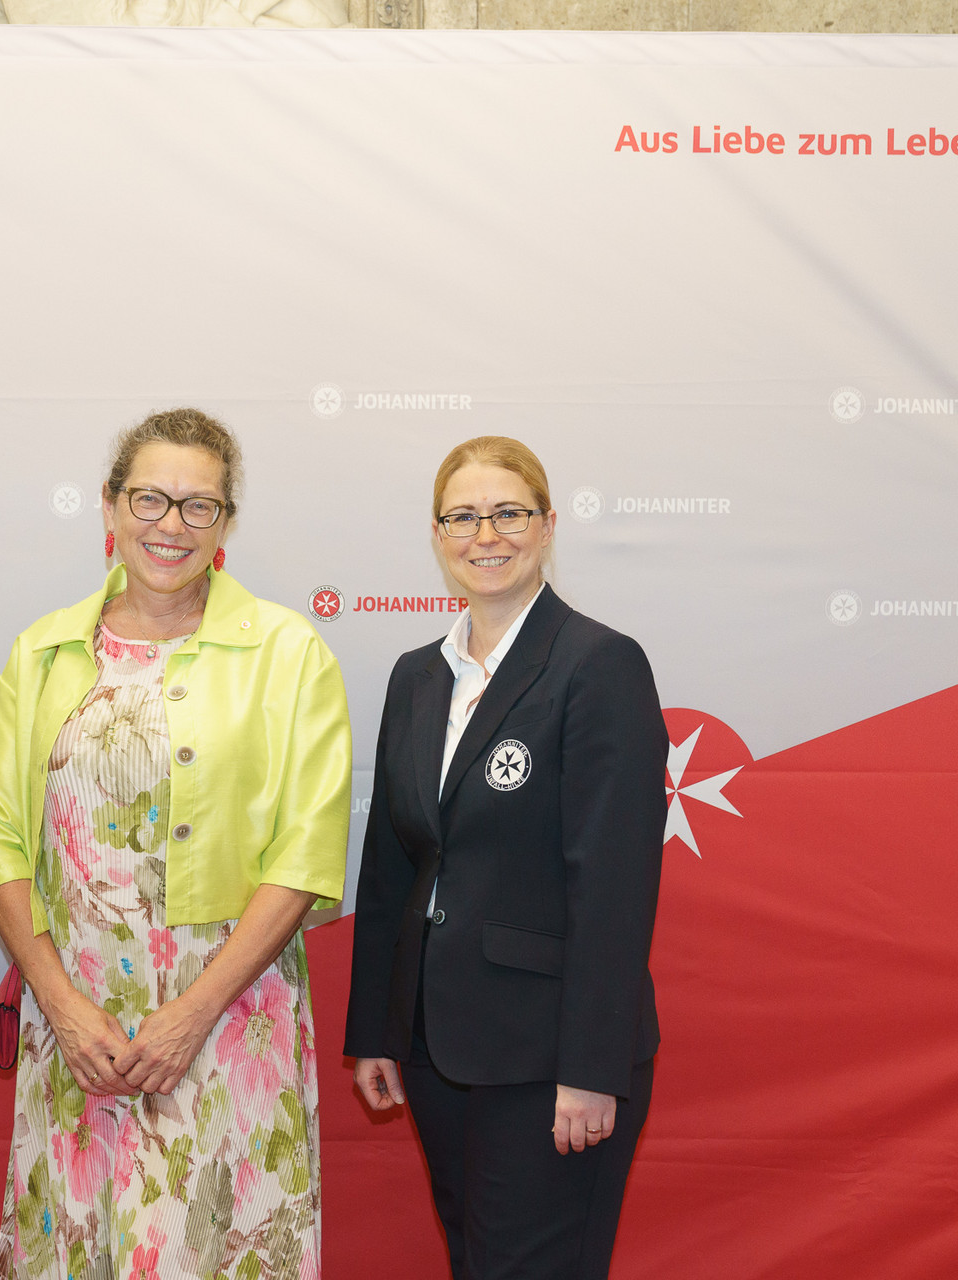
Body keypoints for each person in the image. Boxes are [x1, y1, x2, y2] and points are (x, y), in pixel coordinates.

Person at [0, 409, 350, 1280]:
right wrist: (59, 1005)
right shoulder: (44, 651)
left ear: (226, 524)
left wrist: (190, 1015)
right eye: (149, 499)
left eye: (198, 506)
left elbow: (306, 853)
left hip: (226, 1020)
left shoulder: (289, 655)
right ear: (108, 507)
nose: (169, 525)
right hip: (76, 1024)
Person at [344, 435, 668, 1280]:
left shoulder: (599, 665)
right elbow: (391, 868)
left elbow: (615, 884)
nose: (486, 535)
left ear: (548, 525)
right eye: (463, 517)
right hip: (437, 1047)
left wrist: (592, 1069)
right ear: (438, 533)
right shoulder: (417, 676)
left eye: (508, 513)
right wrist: (377, 1030)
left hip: (549, 1058)